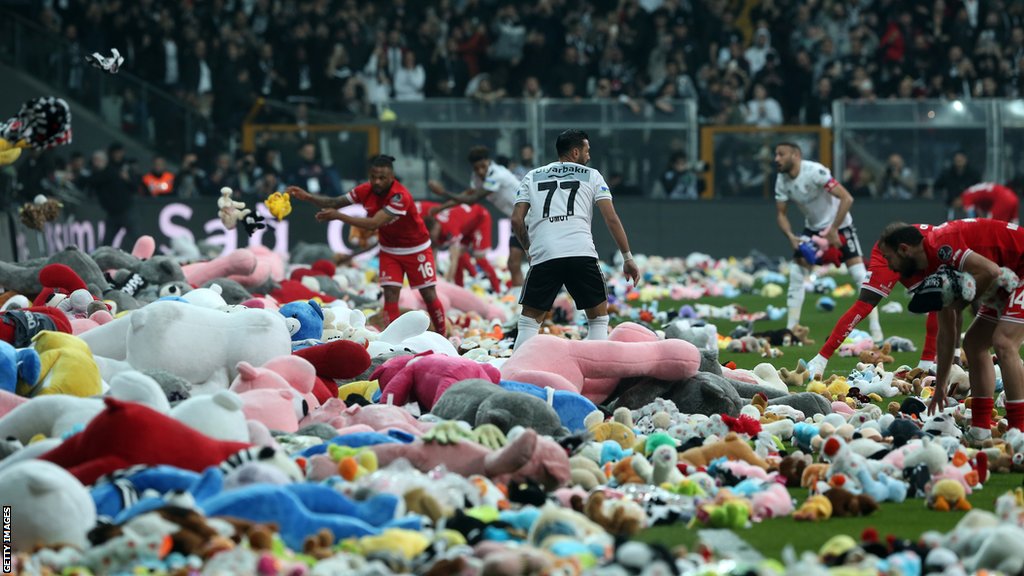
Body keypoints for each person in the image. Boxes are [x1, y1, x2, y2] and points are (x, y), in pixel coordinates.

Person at [878, 220, 1024, 442]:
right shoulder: (931, 264)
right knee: (974, 344)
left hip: (1016, 269)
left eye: (889, 258)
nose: (890, 267)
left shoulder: (942, 246)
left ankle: (1019, 430)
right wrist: (941, 387)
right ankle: (980, 428)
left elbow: (991, 271)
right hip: (1008, 275)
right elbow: (946, 334)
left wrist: (960, 301)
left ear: (904, 249)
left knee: (1004, 342)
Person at [288, 155, 447, 336]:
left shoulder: (399, 197)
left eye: (382, 178)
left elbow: (373, 224)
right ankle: (392, 339)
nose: (377, 182)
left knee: (428, 295)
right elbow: (335, 202)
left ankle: (444, 337)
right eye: (373, 177)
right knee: (390, 294)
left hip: (416, 249)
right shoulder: (365, 190)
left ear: (392, 177)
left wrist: (339, 216)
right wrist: (307, 196)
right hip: (389, 250)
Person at [511, 129, 640, 350]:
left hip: (546, 255)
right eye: (587, 151)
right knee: (598, 321)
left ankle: (513, 379)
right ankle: (601, 380)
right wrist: (627, 257)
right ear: (576, 151)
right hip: (581, 253)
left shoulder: (532, 175)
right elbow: (611, 219)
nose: (589, 156)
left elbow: (516, 220)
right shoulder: (592, 175)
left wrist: (529, 250)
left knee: (528, 325)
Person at [774, 142, 883, 341]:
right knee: (797, 273)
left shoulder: (815, 171)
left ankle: (876, 332)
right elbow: (781, 213)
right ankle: (791, 330)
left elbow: (847, 198)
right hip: (813, 230)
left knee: (860, 276)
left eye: (781, 154)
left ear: (795, 155)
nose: (777, 159)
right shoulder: (781, 180)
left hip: (840, 227)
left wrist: (833, 228)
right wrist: (790, 235)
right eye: (776, 155)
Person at [804, 224, 943, 378]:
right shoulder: (947, 243)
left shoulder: (949, 244)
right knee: (865, 304)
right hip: (894, 250)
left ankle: (928, 364)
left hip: (917, 255)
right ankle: (820, 360)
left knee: (938, 301)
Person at [427, 145, 525, 292]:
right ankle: (518, 301)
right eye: (476, 168)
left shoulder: (497, 174)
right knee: (513, 263)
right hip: (517, 220)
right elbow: (466, 195)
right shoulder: (477, 177)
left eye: (483, 167)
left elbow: (473, 199)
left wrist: (443, 193)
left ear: (489, 162)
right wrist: (441, 208)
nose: (480, 171)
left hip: (532, 216)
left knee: (535, 260)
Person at [417, 199, 501, 292]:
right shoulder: (436, 226)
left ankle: (497, 290)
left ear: (436, 227)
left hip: (479, 219)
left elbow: (454, 259)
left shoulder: (450, 229)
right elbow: (432, 252)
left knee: (479, 258)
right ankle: (460, 288)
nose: (432, 238)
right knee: (460, 256)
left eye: (432, 235)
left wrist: (446, 284)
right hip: (465, 225)